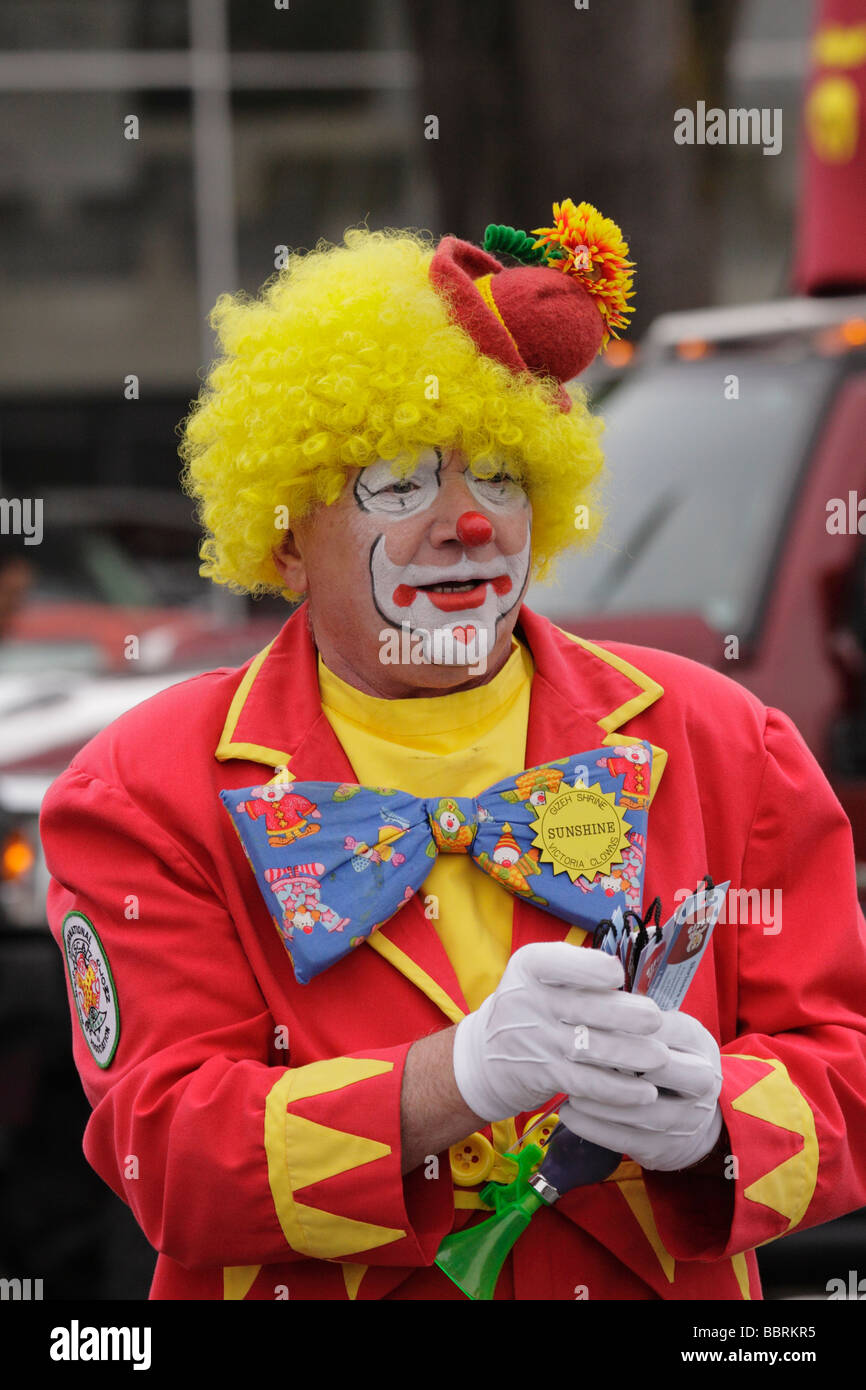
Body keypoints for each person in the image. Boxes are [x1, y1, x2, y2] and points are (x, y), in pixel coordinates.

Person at [41, 201, 866, 1300]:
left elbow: (844, 1067)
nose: (466, 523)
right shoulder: (145, 789)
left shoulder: (722, 745)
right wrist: (452, 1081)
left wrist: (710, 1123)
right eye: (400, 483)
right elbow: (171, 1156)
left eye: (499, 476)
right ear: (286, 536)